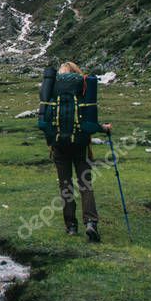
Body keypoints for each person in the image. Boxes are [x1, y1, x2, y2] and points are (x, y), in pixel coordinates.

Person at [40, 61, 111, 242]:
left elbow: (44, 121)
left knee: (65, 186)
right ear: (76, 72)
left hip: (58, 146)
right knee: (85, 184)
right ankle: (91, 223)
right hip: (80, 145)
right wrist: (104, 128)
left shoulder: (53, 90)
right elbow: (90, 123)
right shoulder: (82, 87)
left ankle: (71, 226)